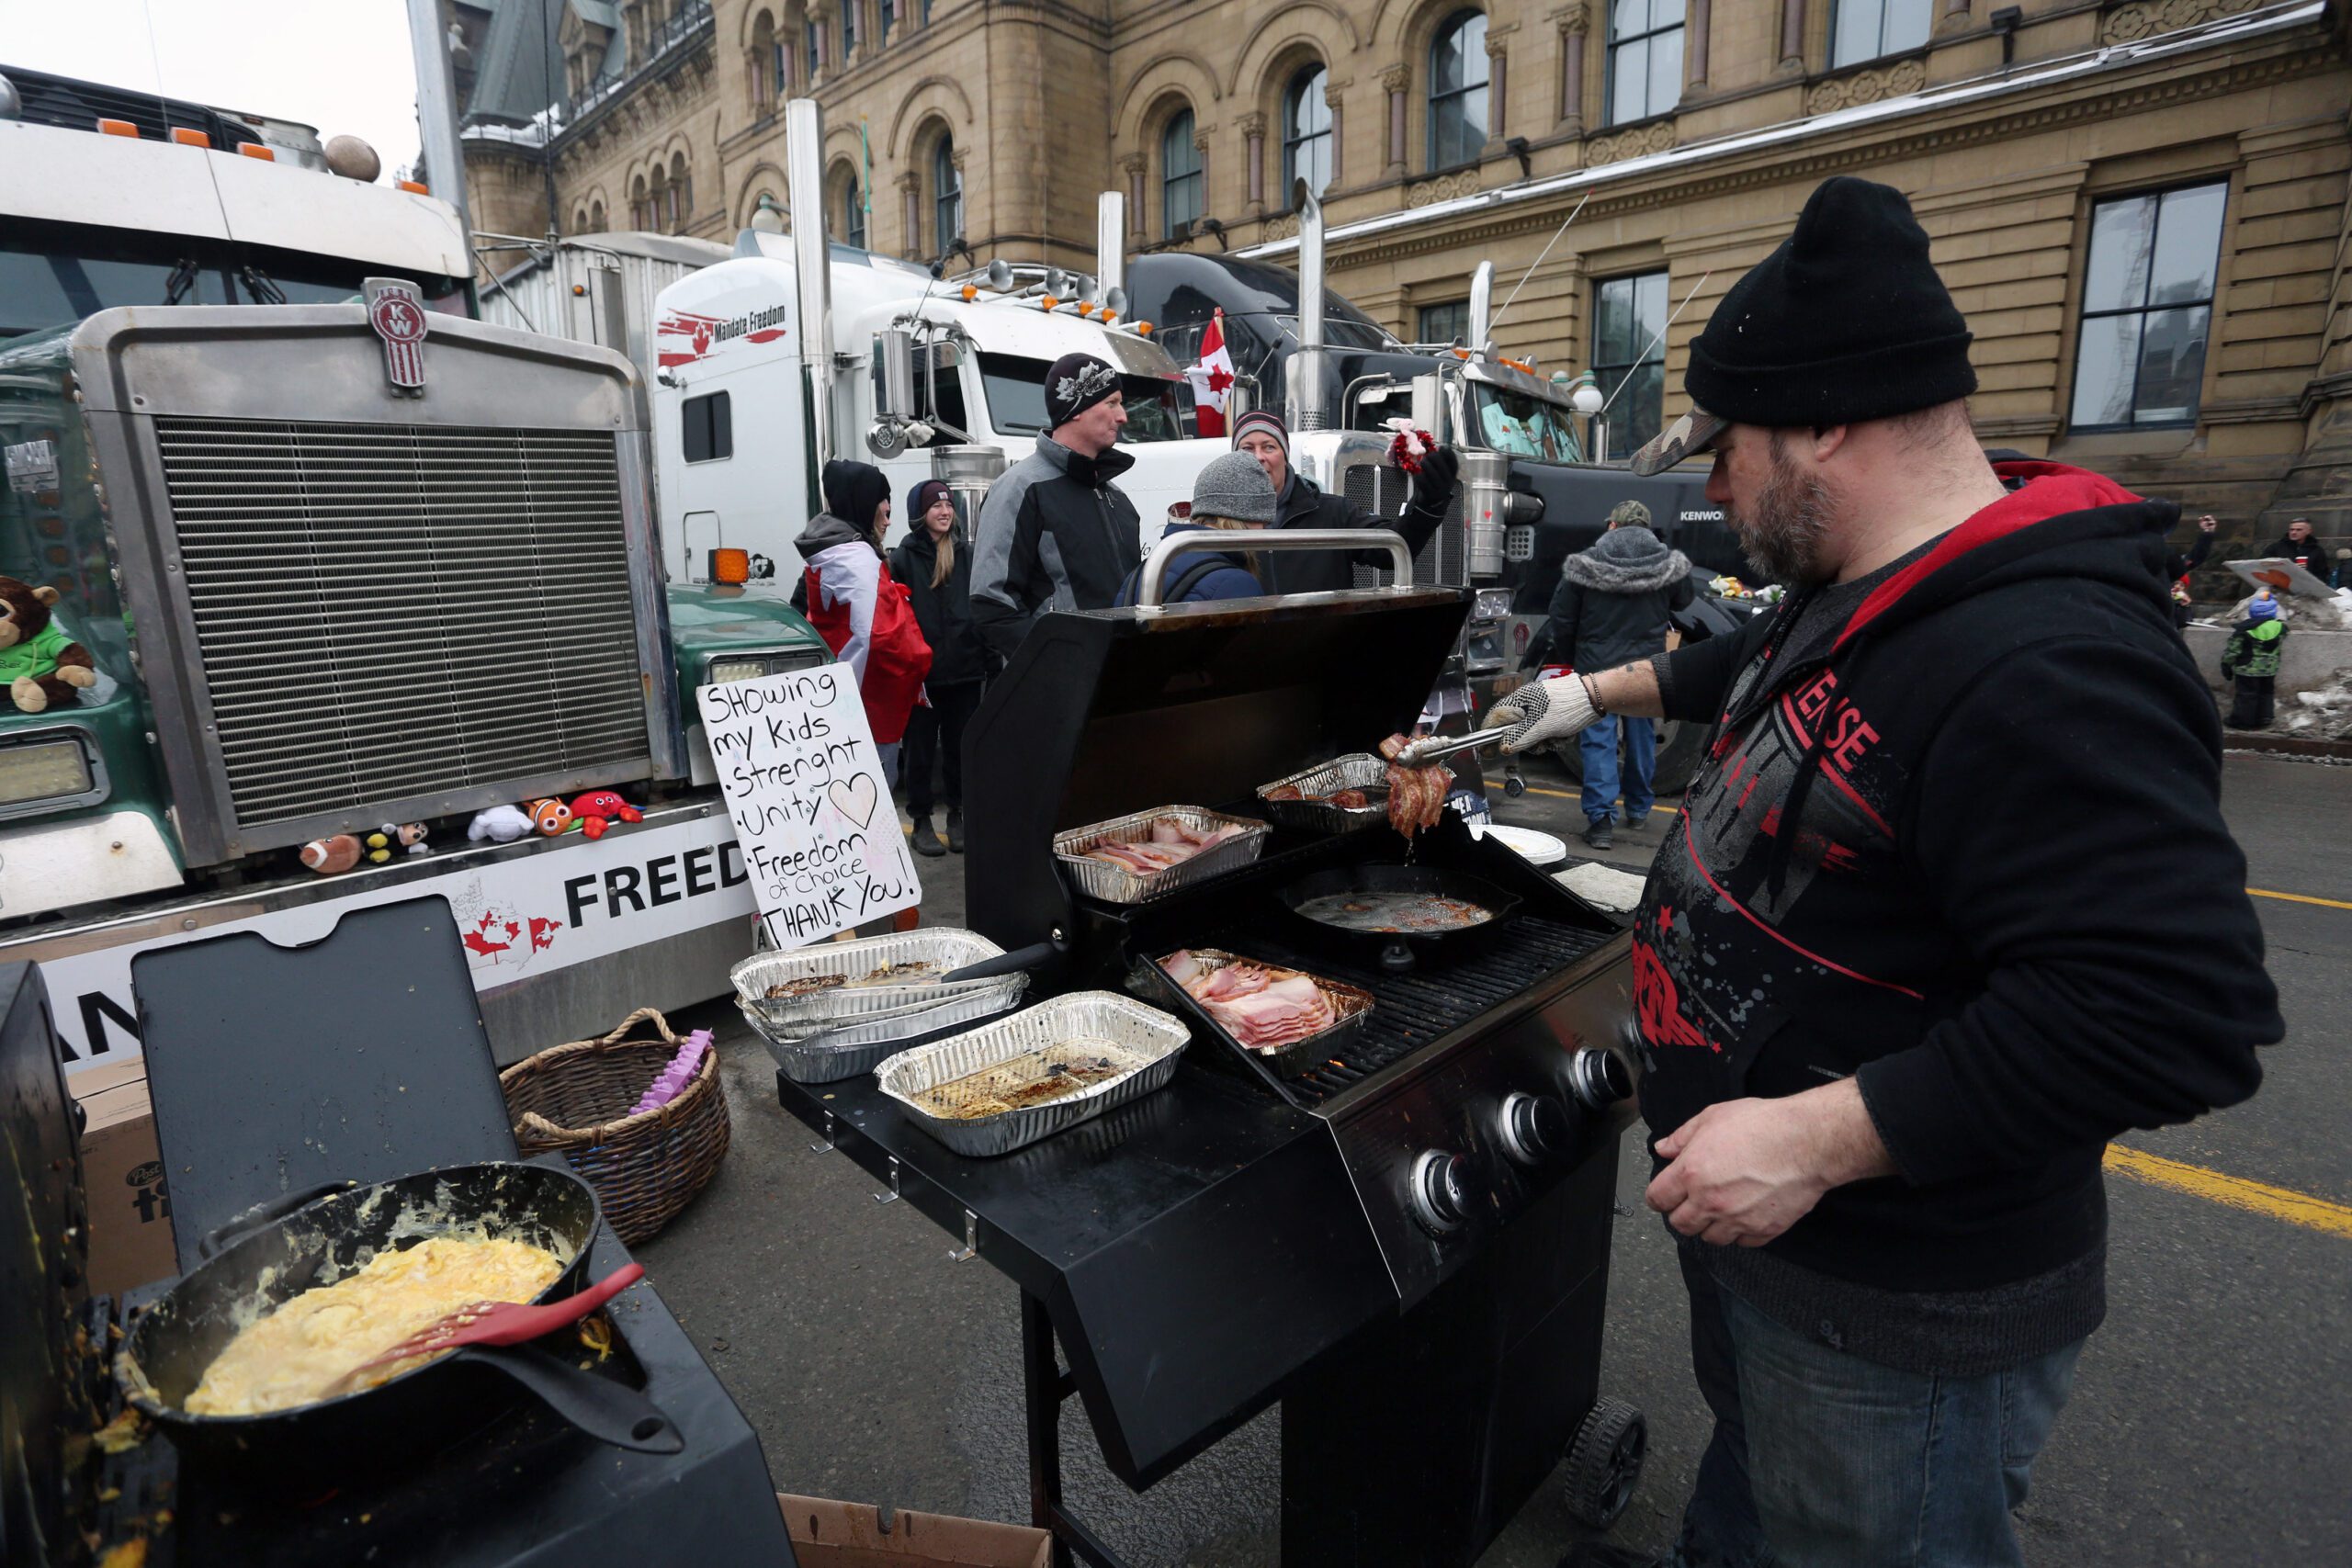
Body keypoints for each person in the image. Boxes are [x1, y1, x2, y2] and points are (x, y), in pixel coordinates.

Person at [1479, 176, 2278, 1568]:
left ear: (1828, 419)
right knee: (1760, 1499)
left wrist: (1811, 1136)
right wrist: (1582, 696)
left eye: (1730, 449)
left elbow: (2170, 1011)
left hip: (1892, 1295)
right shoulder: (1867, 584)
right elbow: (1742, 662)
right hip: (1764, 1236)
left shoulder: (2047, 655)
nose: (1713, 490)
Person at [1524, 499, 1695, 850]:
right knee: (1642, 737)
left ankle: (1601, 822)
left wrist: (1574, 657)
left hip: (1596, 666)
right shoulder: (1666, 563)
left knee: (1599, 742)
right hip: (1647, 668)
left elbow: (1562, 616)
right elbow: (1684, 600)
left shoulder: (1587, 563)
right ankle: (1638, 810)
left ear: (1613, 526)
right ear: (1647, 528)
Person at [969, 353, 1144, 661]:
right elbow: (992, 603)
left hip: (1118, 680)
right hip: (1059, 690)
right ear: (1076, 409)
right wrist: (1057, 665)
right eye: (1112, 403)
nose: (1123, 417)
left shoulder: (1117, 498)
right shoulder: (1020, 488)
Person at [793, 459, 931, 786]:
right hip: (864, 709)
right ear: (865, 503)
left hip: (832, 701)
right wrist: (919, 660)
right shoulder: (855, 562)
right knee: (871, 797)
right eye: (882, 500)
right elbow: (878, 636)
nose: (887, 511)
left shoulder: (830, 551)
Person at [1230, 408, 1461, 596]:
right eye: (1247, 448)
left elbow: (1392, 549)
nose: (1259, 456)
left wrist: (1428, 503)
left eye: (1269, 447)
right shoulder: (1220, 523)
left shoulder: (1332, 513)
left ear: (1285, 456)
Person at [889, 479, 985, 857]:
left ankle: (958, 815)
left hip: (964, 667)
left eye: (947, 506)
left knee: (961, 749)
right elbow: (897, 615)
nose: (944, 512)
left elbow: (978, 604)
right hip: (922, 675)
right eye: (935, 507)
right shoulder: (904, 556)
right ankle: (922, 820)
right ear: (920, 513)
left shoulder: (966, 552)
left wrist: (985, 658)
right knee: (920, 750)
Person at [1113, 452, 1275, 606]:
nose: (1264, 529)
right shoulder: (1237, 584)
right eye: (1263, 521)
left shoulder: (1147, 569)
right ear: (1250, 517)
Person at [2220, 590, 2287, 729]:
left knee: (2246, 695)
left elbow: (2234, 650)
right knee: (2266, 693)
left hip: (2247, 669)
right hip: (2270, 670)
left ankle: (2242, 721)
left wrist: (2226, 664)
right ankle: (2265, 718)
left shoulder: (2244, 630)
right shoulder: (2280, 628)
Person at [2258, 515, 2327, 582]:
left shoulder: (2316, 550)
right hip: (2280, 586)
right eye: (2292, 529)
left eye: (2299, 530)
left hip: (2306, 587)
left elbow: (2322, 573)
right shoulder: (2276, 547)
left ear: (2308, 531)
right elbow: (2262, 565)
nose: (2294, 532)